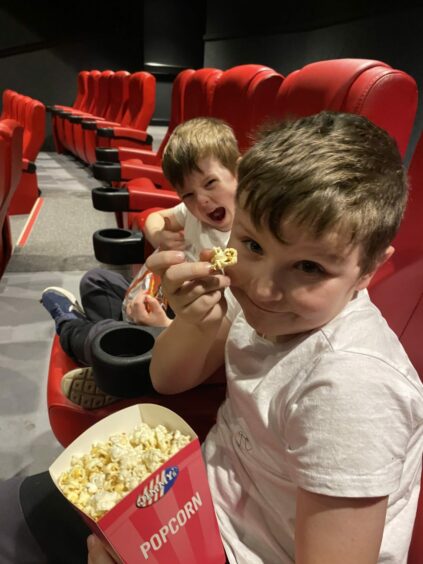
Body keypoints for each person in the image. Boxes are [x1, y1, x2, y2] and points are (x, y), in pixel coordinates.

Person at [1, 111, 421, 564]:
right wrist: (197, 320)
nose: (262, 288)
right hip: (194, 498)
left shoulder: (352, 392)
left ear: (369, 271)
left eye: (310, 268)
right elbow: (169, 380)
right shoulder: (260, 308)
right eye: (253, 245)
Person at [40, 117, 240, 408]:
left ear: (239, 170)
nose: (203, 202)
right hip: (170, 299)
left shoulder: (249, 239)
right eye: (189, 194)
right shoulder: (194, 211)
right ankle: (119, 348)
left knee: (105, 337)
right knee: (96, 280)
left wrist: (169, 324)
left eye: (211, 184)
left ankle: (73, 327)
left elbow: (224, 328)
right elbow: (158, 216)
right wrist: (157, 234)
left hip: (191, 325)